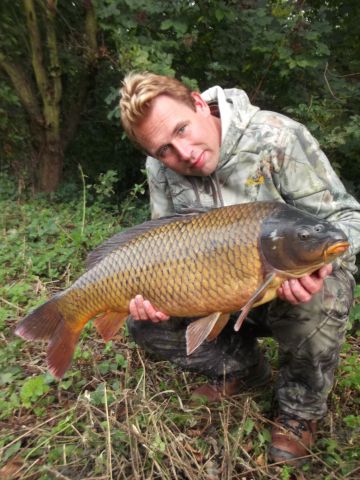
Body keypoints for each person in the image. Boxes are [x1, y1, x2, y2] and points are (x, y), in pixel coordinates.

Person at [119, 71, 360, 466]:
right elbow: (161, 241)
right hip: (215, 290)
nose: (183, 152)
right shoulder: (160, 170)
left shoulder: (276, 136)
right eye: (164, 149)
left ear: (199, 103)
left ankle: (300, 410)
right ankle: (243, 369)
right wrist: (155, 295)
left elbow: (347, 218)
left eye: (182, 128)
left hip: (288, 279)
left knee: (323, 297)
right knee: (144, 324)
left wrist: (323, 268)